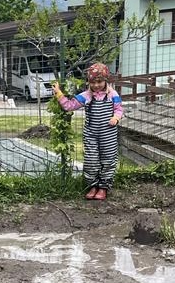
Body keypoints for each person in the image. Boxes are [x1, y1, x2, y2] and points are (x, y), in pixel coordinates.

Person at [52, 62, 123, 200]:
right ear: (88, 82)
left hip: (108, 135)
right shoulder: (86, 96)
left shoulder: (112, 94)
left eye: (99, 82)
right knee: (91, 160)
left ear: (105, 80)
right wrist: (59, 94)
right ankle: (92, 186)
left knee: (108, 160)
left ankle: (103, 187)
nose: (96, 85)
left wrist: (116, 117)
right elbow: (69, 106)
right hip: (91, 134)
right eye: (93, 82)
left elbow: (119, 109)